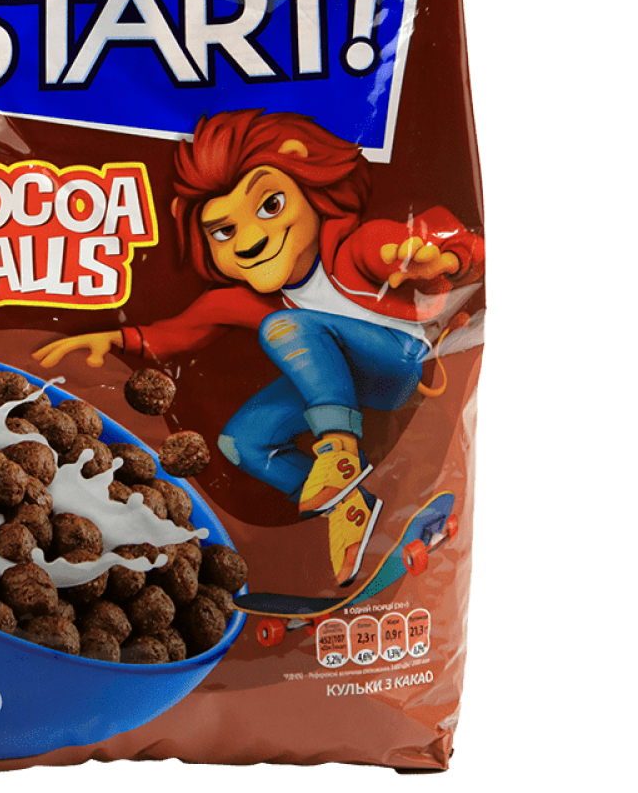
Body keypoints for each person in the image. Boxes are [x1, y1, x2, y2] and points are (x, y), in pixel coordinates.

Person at [34, 109, 484, 587]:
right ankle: (348, 507)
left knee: (284, 327)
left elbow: (409, 246)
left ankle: (339, 454)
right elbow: (186, 328)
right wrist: (116, 338)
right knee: (243, 441)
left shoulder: (357, 247)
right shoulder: (252, 301)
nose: (248, 240)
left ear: (311, 190)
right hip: (341, 382)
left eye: (270, 204)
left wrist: (437, 257)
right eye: (223, 231)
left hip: (396, 365)